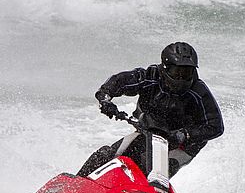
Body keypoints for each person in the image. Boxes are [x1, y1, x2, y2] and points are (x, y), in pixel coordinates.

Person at [77, 42, 224, 179]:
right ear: (165, 68)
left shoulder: (199, 92)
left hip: (182, 146)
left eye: (186, 73)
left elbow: (216, 126)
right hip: (148, 133)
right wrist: (105, 99)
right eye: (176, 72)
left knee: (155, 174)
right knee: (107, 156)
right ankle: (74, 184)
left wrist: (184, 134)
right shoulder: (149, 77)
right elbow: (118, 82)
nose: (181, 78)